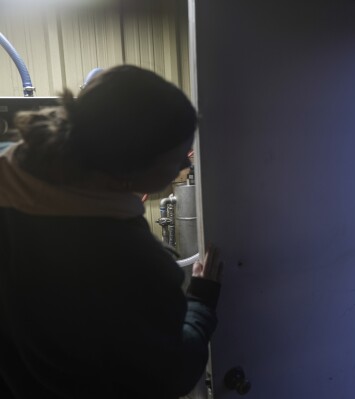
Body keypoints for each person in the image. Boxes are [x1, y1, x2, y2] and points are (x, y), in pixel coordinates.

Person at [0, 65, 222, 398]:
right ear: (129, 168)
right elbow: (170, 374)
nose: (185, 166)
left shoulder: (11, 175)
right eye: (177, 158)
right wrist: (202, 302)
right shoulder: (126, 258)